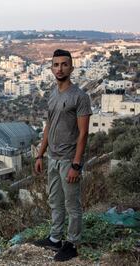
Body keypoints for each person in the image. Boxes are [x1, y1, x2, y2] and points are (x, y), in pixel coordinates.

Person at [34, 49, 92, 261]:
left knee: (72, 204)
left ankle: (73, 243)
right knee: (55, 201)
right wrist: (40, 155)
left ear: (72, 67)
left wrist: (76, 165)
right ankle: (55, 238)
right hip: (52, 158)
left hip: (69, 159)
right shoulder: (52, 93)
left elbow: (84, 132)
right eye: (56, 65)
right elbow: (49, 125)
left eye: (64, 64)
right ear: (51, 68)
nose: (60, 68)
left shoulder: (80, 96)